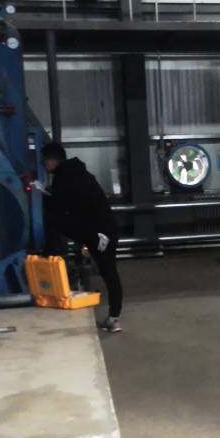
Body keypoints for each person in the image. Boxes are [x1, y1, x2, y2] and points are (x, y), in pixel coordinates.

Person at [40, 142, 124, 333]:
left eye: (45, 161)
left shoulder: (63, 178)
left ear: (53, 161)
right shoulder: (80, 172)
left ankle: (49, 254)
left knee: (108, 271)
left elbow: (58, 208)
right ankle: (114, 317)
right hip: (105, 229)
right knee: (109, 272)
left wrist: (41, 196)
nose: (44, 165)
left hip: (97, 233)